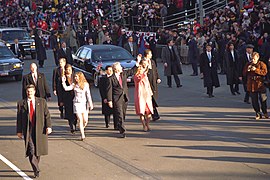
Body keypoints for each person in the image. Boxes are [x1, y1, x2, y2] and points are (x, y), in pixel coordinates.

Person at [17, 84, 52, 178]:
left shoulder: (42, 102)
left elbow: (47, 115)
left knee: (38, 150)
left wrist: (48, 126)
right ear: (26, 92)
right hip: (28, 129)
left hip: (39, 129)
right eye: (28, 91)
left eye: (31, 91)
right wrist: (19, 131)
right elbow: (19, 118)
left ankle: (35, 165)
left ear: (34, 92)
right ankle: (36, 169)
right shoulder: (21, 103)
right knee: (31, 150)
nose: (29, 93)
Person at [107, 62, 137, 138]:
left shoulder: (123, 74)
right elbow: (109, 90)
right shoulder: (111, 79)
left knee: (123, 113)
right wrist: (109, 100)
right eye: (120, 67)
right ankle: (122, 130)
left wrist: (137, 63)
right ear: (116, 69)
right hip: (117, 98)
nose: (121, 68)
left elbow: (131, 71)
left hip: (124, 97)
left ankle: (119, 124)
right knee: (119, 113)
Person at [62, 72, 94, 141]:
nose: (75, 78)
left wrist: (90, 104)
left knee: (85, 120)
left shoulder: (85, 85)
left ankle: (82, 127)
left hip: (84, 103)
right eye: (75, 77)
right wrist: (63, 81)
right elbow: (66, 88)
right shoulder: (74, 85)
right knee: (80, 119)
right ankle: (82, 134)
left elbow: (88, 95)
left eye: (77, 77)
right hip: (76, 103)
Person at [243, 52, 268, 120]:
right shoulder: (248, 64)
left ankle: (265, 111)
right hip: (251, 85)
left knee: (263, 99)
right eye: (252, 58)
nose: (253, 60)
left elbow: (265, 72)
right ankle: (257, 113)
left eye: (254, 59)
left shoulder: (261, 64)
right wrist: (247, 70)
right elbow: (244, 73)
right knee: (254, 100)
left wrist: (256, 70)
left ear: (257, 58)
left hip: (260, 84)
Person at [139, 49, 161, 121]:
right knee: (150, 99)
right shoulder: (142, 62)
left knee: (153, 98)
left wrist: (158, 78)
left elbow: (155, 70)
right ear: (147, 54)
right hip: (146, 82)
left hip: (153, 82)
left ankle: (153, 113)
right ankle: (154, 114)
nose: (151, 55)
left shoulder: (152, 62)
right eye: (150, 54)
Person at [134, 64, 154, 131]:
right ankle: (143, 125)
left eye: (142, 69)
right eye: (139, 69)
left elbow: (148, 85)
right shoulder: (136, 76)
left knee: (149, 111)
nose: (141, 70)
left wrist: (150, 93)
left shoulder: (145, 76)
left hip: (147, 95)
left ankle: (147, 124)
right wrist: (143, 74)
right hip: (140, 96)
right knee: (142, 111)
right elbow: (138, 80)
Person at [63, 64, 77, 134]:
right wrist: (61, 100)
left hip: (75, 97)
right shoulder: (63, 78)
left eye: (70, 69)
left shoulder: (75, 77)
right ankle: (71, 125)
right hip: (67, 98)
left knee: (75, 112)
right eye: (67, 69)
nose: (68, 71)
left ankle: (75, 123)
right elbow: (61, 90)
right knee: (69, 112)